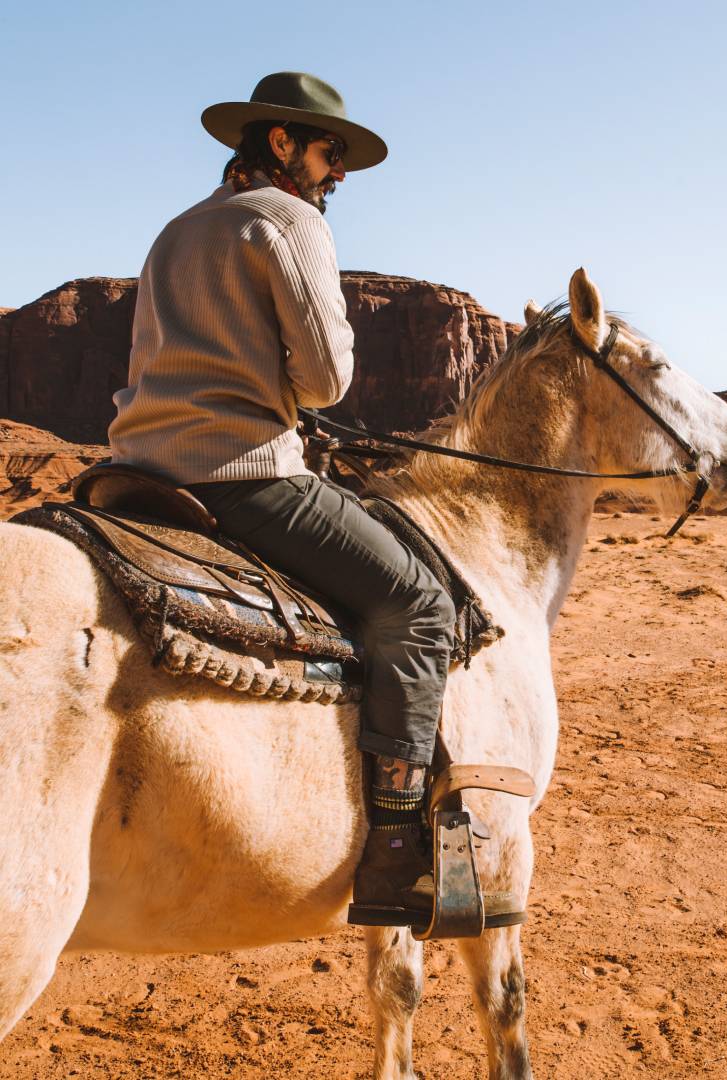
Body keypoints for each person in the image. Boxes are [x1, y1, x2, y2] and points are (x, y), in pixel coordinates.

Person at [108, 72, 456, 926]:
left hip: (137, 473)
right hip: (244, 474)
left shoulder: (174, 231)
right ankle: (398, 849)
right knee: (419, 603)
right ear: (280, 143)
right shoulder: (288, 219)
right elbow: (328, 380)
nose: (336, 172)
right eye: (329, 151)